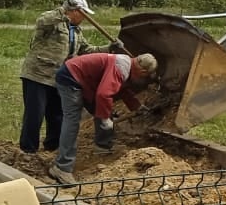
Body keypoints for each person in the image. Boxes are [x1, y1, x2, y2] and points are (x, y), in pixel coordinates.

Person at [18, 0, 124, 157]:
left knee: (57, 115)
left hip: (58, 79)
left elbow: (88, 50)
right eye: (82, 13)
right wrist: (64, 10)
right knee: (35, 114)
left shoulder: (77, 32)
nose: (83, 17)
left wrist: (109, 48)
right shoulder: (53, 22)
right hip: (37, 75)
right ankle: (28, 151)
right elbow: (41, 20)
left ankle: (52, 148)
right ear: (73, 11)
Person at [49, 52, 157, 186]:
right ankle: (62, 168)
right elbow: (103, 94)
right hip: (71, 77)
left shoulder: (127, 65)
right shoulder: (121, 67)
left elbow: (121, 89)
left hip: (86, 80)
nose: (142, 79)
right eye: (144, 76)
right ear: (141, 70)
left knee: (103, 108)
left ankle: (103, 147)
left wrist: (137, 106)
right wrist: (105, 118)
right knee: (72, 120)